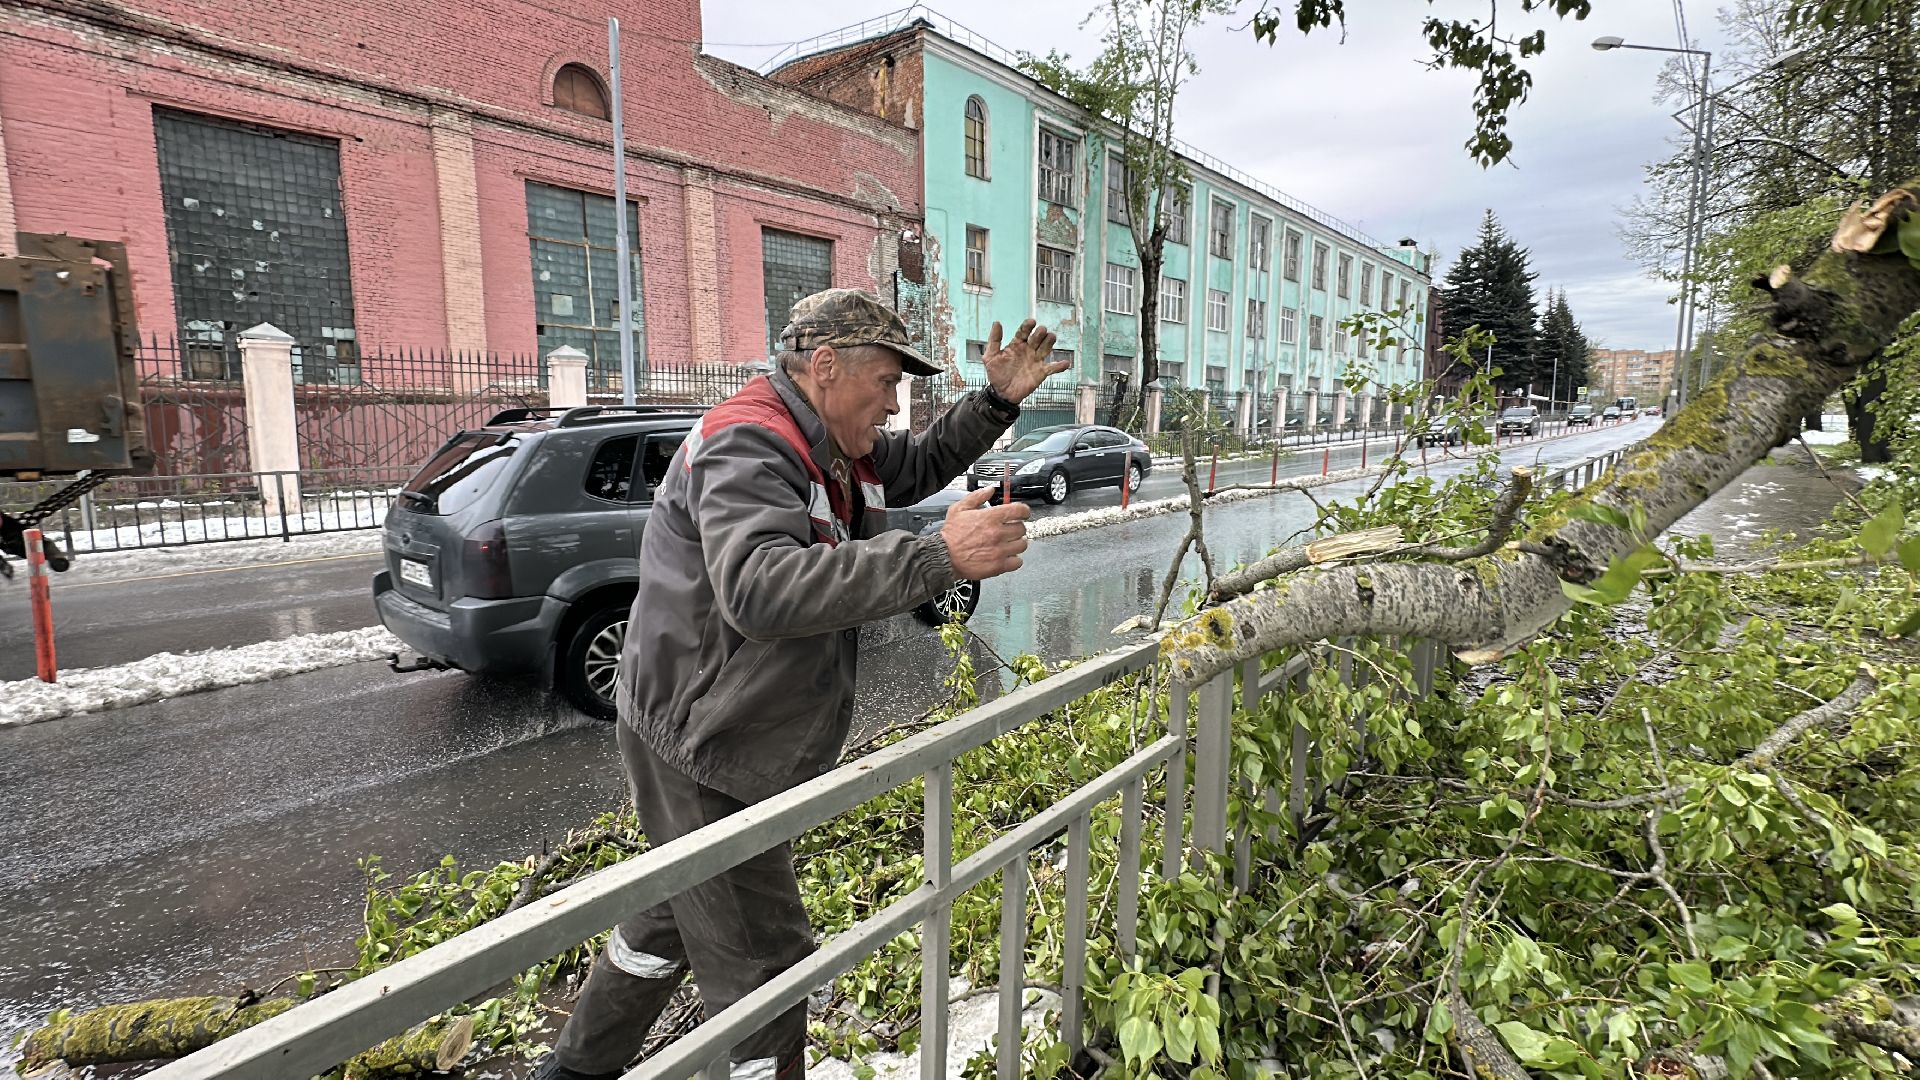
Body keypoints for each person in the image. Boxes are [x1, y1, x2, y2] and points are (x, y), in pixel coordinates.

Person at [535, 289, 1066, 1080]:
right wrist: (935, 557)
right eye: (886, 382)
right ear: (825, 366)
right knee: (767, 968)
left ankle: (575, 1070)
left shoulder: (834, 443)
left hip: (716, 723)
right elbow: (758, 589)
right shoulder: (748, 443)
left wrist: (993, 403)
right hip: (701, 742)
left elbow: (919, 463)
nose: (894, 404)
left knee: (669, 915)